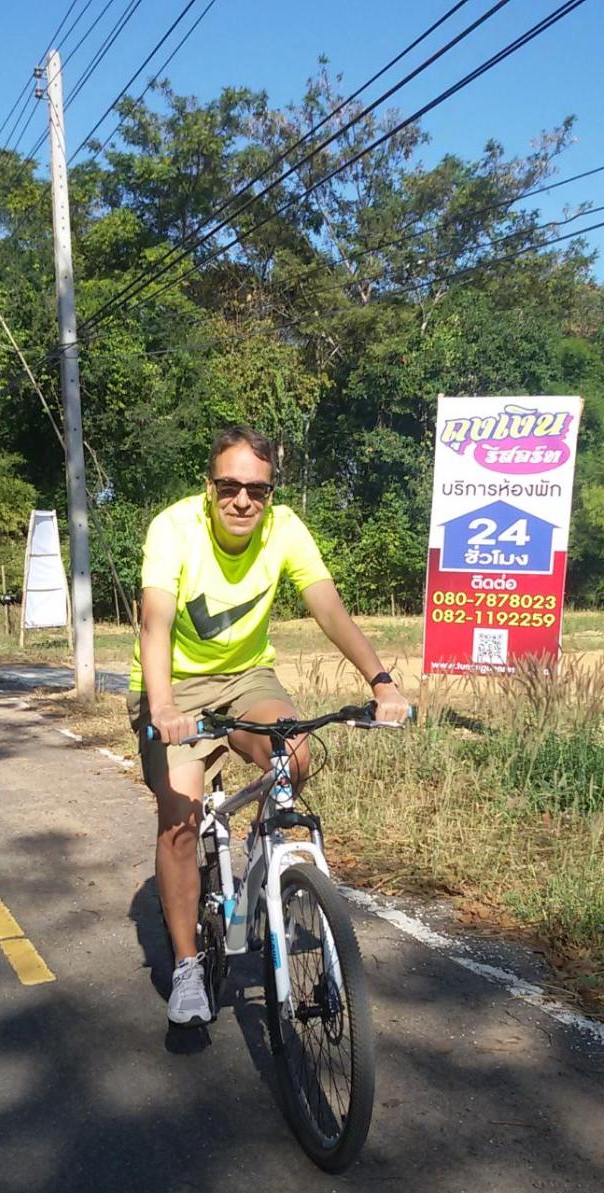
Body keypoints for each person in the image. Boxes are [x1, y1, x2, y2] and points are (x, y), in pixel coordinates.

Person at [127, 424, 410, 1026]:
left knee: (295, 754)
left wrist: (381, 682)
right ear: (210, 487)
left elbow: (329, 609)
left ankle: (264, 863)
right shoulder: (174, 528)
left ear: (270, 493)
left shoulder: (284, 529)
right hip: (174, 685)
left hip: (248, 678)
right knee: (179, 817)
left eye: (257, 490)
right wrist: (164, 709)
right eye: (230, 487)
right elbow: (155, 623)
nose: (243, 501)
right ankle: (187, 966)